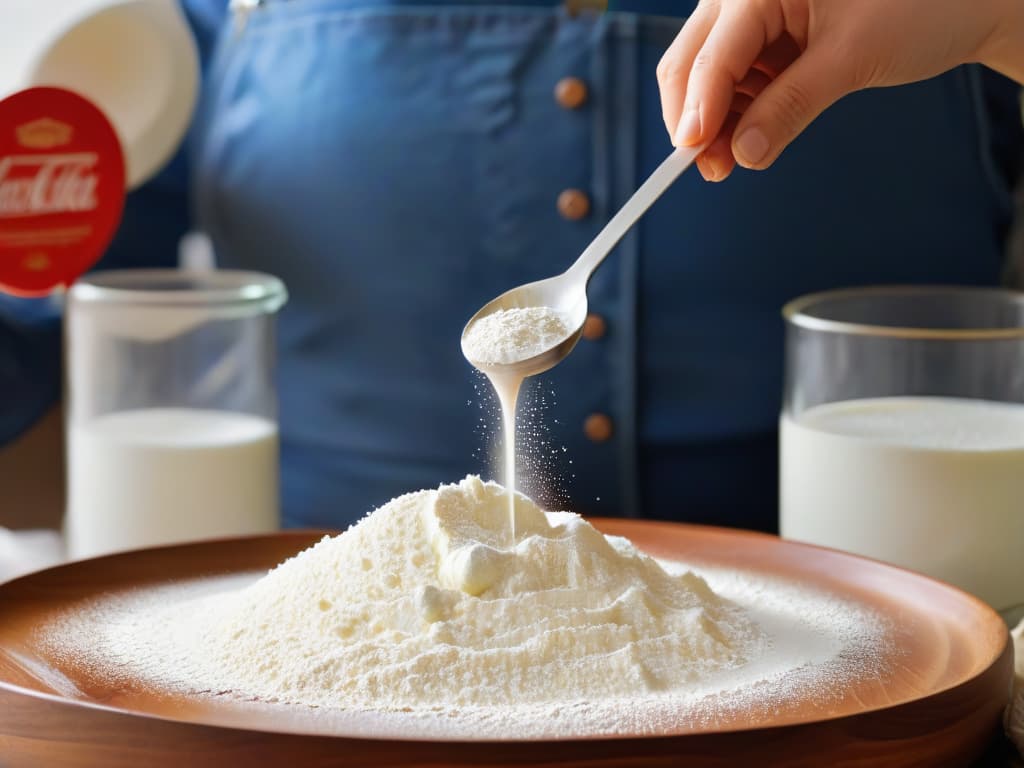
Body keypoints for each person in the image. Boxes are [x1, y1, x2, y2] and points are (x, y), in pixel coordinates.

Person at [1, 0, 1022, 533]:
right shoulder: (164, 33)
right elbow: (62, 314)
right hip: (313, 664)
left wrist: (993, 18)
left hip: (861, 634)